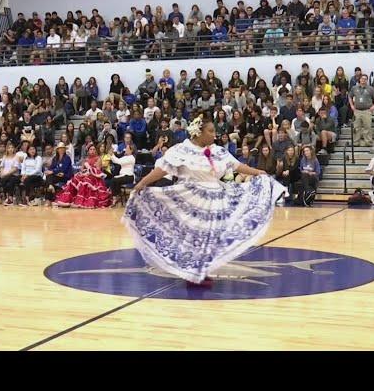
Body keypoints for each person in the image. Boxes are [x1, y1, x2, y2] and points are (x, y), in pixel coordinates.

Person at [122, 114, 286, 286]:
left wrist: (257, 172)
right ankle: (193, 273)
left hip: (216, 198)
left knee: (211, 237)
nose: (214, 135)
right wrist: (142, 183)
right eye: (210, 131)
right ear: (198, 132)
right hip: (193, 198)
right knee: (195, 236)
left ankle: (199, 270)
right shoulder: (182, 150)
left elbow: (236, 165)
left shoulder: (217, 151)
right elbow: (162, 169)